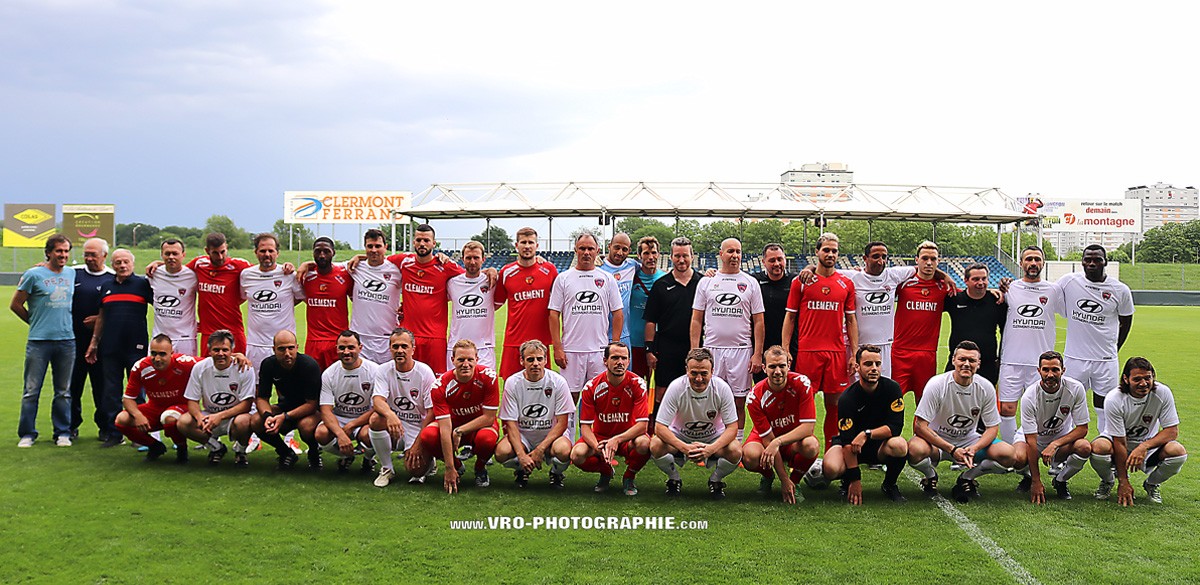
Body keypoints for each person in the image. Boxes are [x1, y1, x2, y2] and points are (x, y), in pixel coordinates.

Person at [908, 341, 1018, 503]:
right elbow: (920, 425)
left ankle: (967, 478)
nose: (967, 364)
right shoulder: (937, 384)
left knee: (1009, 454)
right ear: (953, 360)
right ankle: (931, 476)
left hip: (969, 441)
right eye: (962, 359)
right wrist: (951, 450)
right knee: (914, 449)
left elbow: (992, 428)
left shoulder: (985, 387)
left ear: (978, 364)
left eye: (972, 361)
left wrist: (974, 448)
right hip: (938, 441)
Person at [782, 233, 857, 449]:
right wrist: (786, 349)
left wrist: (853, 353)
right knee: (804, 404)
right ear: (817, 252)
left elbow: (851, 320)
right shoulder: (802, 281)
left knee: (835, 405)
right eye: (826, 250)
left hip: (836, 353)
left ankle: (831, 452)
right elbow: (790, 317)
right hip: (808, 352)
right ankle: (803, 452)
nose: (831, 254)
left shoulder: (846, 283)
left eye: (834, 250)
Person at [548, 232, 624, 434]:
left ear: (597, 250)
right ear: (576, 250)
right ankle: (565, 442)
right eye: (582, 248)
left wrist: (613, 347)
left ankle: (600, 442)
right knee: (569, 399)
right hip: (571, 351)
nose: (586, 252)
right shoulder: (563, 279)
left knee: (601, 399)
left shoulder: (606, 279)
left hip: (599, 352)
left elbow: (617, 313)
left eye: (590, 248)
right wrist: (558, 347)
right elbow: (553, 314)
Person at [690, 237, 765, 435]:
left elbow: (758, 321)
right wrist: (694, 350)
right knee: (709, 398)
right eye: (730, 251)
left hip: (740, 350)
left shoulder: (750, 282)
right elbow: (696, 319)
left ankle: (736, 445)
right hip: (712, 350)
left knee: (738, 401)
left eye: (738, 251)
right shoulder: (707, 282)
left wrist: (757, 354)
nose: (735, 255)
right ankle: (711, 443)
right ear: (721, 254)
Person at [1057, 245, 1134, 434]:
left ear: (1105, 262)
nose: (1092, 263)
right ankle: (1062, 455)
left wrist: (1115, 348)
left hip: (1105, 361)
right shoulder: (1069, 281)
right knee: (1066, 407)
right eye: (1088, 259)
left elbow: (1126, 321)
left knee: (1106, 407)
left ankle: (1104, 451)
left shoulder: (1120, 289)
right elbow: (1043, 292)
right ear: (1082, 261)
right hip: (1075, 358)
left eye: (1097, 259)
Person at [1091, 357, 1187, 505]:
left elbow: (1172, 431)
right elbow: (1120, 441)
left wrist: (1143, 446)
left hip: (1147, 446)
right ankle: (1108, 481)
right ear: (1126, 379)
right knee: (1099, 447)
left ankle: (1151, 484)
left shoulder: (1162, 392)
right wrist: (1124, 481)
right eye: (1137, 379)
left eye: (1147, 378)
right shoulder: (1114, 399)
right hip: (1117, 443)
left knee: (1177, 451)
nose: (1143, 384)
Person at [820, 345, 909, 504]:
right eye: (868, 364)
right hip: (853, 446)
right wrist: (856, 480)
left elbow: (895, 427)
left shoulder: (893, 389)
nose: (874, 368)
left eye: (877, 364)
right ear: (857, 367)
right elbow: (847, 442)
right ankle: (846, 481)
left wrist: (867, 434)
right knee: (830, 468)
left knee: (900, 445)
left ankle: (889, 485)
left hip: (880, 444)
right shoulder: (847, 398)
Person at [650, 348, 742, 499]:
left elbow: (732, 428)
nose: (699, 378)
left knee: (736, 450)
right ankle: (674, 478)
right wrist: (684, 448)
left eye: (704, 373)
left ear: (712, 371)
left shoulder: (722, 388)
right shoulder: (676, 387)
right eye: (694, 373)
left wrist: (711, 449)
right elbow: (660, 427)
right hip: (681, 437)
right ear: (687, 370)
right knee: (655, 445)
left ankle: (716, 480)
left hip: (712, 438)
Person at [11, 234, 76, 447]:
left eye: (66, 251)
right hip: (39, 341)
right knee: (31, 390)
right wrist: (34, 322)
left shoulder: (72, 273)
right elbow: (16, 304)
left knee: (64, 391)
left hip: (67, 340)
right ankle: (27, 434)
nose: (63, 255)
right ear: (49, 252)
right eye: (59, 251)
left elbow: (98, 268)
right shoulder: (34, 274)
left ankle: (63, 433)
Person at [86, 248, 153, 448]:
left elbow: (161, 306)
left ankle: (139, 434)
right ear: (112, 265)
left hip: (136, 346)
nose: (122, 266)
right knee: (111, 392)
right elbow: (102, 317)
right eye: (118, 263)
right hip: (110, 347)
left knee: (137, 392)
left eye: (126, 262)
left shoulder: (142, 284)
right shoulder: (107, 285)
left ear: (132, 264)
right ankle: (115, 433)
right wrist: (94, 342)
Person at [419, 340, 501, 493]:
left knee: (487, 438)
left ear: (477, 359)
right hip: (451, 426)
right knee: (428, 436)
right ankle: (457, 466)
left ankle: (480, 468)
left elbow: (489, 418)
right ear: (452, 360)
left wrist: (460, 431)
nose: (466, 364)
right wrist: (449, 467)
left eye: (470, 359)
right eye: (461, 359)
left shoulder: (489, 377)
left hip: (478, 426)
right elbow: (444, 427)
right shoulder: (440, 386)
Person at [997, 246, 1060, 443]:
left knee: (1041, 410)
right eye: (1029, 259)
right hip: (1011, 359)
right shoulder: (1010, 288)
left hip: (1041, 363)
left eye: (1037, 259)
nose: (1033, 263)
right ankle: (1010, 452)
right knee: (1007, 408)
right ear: (1021, 263)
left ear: (1043, 263)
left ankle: (1037, 448)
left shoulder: (1054, 290)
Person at [571, 342, 651, 496]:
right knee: (577, 455)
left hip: (627, 437)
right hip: (601, 438)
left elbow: (642, 426)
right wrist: (597, 447)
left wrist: (617, 440)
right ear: (605, 361)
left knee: (644, 444)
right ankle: (606, 471)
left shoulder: (637, 384)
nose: (619, 362)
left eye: (623, 358)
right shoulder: (591, 387)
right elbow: (585, 427)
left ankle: (629, 476)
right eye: (615, 358)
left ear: (628, 361)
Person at [743, 345, 819, 504]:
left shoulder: (802, 383)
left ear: (788, 366)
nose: (777, 371)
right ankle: (768, 476)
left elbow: (808, 428)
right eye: (772, 366)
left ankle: (795, 481)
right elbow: (769, 440)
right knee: (749, 456)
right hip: (767, 439)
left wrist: (778, 442)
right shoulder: (755, 396)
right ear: (764, 368)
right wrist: (782, 480)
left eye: (781, 366)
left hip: (792, 439)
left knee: (811, 445)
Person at [1011, 351, 1091, 502]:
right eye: (1045, 369)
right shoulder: (1030, 396)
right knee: (1017, 458)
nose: (1050, 374)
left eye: (1055, 369)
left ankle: (1060, 480)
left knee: (1084, 447)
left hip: (1061, 440)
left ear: (1063, 370)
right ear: (1038, 371)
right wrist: (1036, 480)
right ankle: (1028, 476)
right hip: (1033, 438)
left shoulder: (1075, 388)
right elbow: (1031, 440)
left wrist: (1055, 444)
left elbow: (1083, 429)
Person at [496, 340, 575, 489]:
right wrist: (521, 455)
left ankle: (556, 473)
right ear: (522, 361)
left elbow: (562, 423)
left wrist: (540, 449)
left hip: (551, 435)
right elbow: (510, 423)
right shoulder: (513, 383)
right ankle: (521, 469)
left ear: (546, 360)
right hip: (524, 436)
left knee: (563, 451)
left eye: (540, 359)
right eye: (530, 359)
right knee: (501, 453)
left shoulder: (558, 382)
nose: (535, 363)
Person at [368, 327, 437, 487]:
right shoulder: (383, 370)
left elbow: (432, 412)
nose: (400, 350)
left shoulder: (424, 372)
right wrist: (391, 416)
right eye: (395, 346)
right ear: (390, 348)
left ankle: (429, 460)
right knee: (376, 419)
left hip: (418, 427)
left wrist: (418, 444)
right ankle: (386, 468)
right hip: (395, 425)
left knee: (415, 471)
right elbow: (378, 400)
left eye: (404, 346)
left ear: (413, 348)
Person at [643, 237, 701, 427]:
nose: (681, 260)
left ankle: (691, 429)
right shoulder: (661, 285)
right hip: (667, 347)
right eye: (677, 256)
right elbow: (651, 321)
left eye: (685, 255)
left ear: (692, 256)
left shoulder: (703, 282)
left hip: (695, 347)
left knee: (696, 388)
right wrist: (649, 350)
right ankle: (659, 430)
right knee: (663, 390)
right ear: (671, 258)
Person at [177, 329, 256, 467]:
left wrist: (220, 416)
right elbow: (192, 400)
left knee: (245, 421)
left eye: (225, 350)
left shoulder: (245, 368)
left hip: (234, 416)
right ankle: (216, 448)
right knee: (183, 422)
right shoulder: (200, 368)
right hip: (209, 416)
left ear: (232, 350)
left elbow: (247, 405)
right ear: (209, 350)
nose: (221, 354)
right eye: (216, 350)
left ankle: (240, 451)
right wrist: (199, 418)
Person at [112, 335, 197, 462]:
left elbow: (212, 361)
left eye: (162, 354)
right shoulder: (141, 367)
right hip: (155, 408)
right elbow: (128, 399)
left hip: (180, 408)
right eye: (154, 353)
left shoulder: (185, 363)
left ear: (171, 353)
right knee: (121, 419)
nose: (157, 359)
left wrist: (236, 356)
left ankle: (182, 449)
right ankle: (155, 446)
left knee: (169, 417)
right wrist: (137, 415)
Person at [891, 241, 955, 403]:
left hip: (927, 355)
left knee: (924, 403)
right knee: (893, 402)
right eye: (924, 258)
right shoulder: (904, 283)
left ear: (938, 262)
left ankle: (919, 430)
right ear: (916, 260)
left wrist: (993, 292)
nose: (928, 262)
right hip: (900, 353)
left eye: (933, 259)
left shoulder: (943, 287)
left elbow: (970, 295)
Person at [494, 227, 558, 379]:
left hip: (541, 343)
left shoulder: (549, 270)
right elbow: (495, 303)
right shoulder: (506, 272)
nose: (527, 246)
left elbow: (559, 304)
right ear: (516, 246)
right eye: (523, 242)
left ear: (537, 246)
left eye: (531, 242)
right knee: (511, 386)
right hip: (514, 341)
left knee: (541, 387)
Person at [252, 330, 322, 469]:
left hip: (309, 410)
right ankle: (285, 452)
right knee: (255, 421)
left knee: (306, 426)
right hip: (285, 406)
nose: (287, 353)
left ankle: (314, 452)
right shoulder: (268, 364)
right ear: (274, 349)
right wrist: (267, 416)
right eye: (281, 349)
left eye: (291, 348)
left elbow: (312, 405)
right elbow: (262, 398)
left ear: (297, 347)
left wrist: (284, 417)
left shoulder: (309, 365)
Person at [314, 330, 378, 473]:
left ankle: (368, 458)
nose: (346, 352)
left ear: (360, 348)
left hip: (364, 419)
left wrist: (353, 424)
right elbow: (325, 410)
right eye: (342, 348)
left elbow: (377, 407)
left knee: (368, 434)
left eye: (351, 348)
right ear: (336, 349)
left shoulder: (374, 371)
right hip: (340, 418)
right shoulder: (329, 374)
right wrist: (341, 434)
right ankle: (346, 455)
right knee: (321, 433)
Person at [69, 237, 114, 441]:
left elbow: (120, 308)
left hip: (102, 344)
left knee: (101, 387)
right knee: (72, 386)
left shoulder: (113, 278)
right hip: (73, 341)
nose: (88, 258)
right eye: (86, 254)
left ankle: (105, 427)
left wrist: (101, 319)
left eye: (92, 254)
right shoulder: (74, 273)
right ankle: (70, 426)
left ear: (104, 255)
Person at [240, 233, 305, 369]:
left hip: (284, 346)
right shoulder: (246, 275)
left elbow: (301, 298)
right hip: (256, 344)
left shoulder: (288, 274)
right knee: (257, 386)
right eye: (263, 251)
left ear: (277, 253)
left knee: (286, 388)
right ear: (256, 252)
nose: (267, 254)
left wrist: (285, 304)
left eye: (271, 250)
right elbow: (242, 297)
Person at [944, 263, 1006, 385]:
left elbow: (1005, 332)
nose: (981, 283)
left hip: (987, 364)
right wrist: (944, 275)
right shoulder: (954, 299)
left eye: (984, 279)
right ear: (966, 281)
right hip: (959, 362)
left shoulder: (997, 302)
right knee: (952, 401)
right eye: (975, 279)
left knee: (985, 401)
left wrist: (1001, 358)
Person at [348, 229, 402, 364]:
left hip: (386, 339)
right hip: (359, 338)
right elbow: (328, 268)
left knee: (385, 382)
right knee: (361, 383)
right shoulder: (354, 267)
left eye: (378, 246)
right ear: (364, 247)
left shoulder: (396, 270)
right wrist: (307, 265)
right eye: (369, 246)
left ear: (386, 247)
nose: (373, 250)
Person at [301, 237, 353, 370]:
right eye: (318, 251)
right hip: (313, 341)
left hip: (337, 341)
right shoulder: (305, 276)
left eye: (326, 251)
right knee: (313, 384)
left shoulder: (345, 275)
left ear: (333, 253)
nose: (322, 255)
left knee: (338, 382)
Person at [447, 241, 497, 368]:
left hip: (484, 347)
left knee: (485, 386)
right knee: (456, 387)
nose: (472, 262)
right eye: (468, 258)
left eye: (476, 258)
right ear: (463, 259)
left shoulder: (492, 281)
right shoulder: (452, 283)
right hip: (456, 347)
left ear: (483, 259)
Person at [753, 243, 797, 381]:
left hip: (791, 346)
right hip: (762, 346)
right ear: (763, 262)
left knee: (789, 390)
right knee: (763, 388)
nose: (777, 263)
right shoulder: (754, 281)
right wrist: (712, 273)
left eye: (780, 259)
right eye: (772, 260)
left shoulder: (795, 281)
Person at [148, 238, 198, 357]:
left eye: (175, 253)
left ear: (183, 255)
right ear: (161, 255)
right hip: (159, 338)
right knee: (156, 374)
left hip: (185, 339)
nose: (171, 257)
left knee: (185, 374)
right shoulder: (153, 274)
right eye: (167, 253)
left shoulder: (193, 276)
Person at [628, 236, 665, 379]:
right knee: (634, 386)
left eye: (654, 253)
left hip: (657, 343)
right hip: (634, 343)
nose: (651, 257)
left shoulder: (665, 278)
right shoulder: (632, 277)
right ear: (639, 256)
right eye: (646, 253)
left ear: (659, 254)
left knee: (656, 389)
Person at [597, 232, 640, 347]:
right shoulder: (597, 267)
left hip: (623, 334)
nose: (620, 253)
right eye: (617, 247)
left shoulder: (632, 266)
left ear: (629, 250)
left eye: (624, 249)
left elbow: (651, 271)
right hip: (600, 335)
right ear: (609, 246)